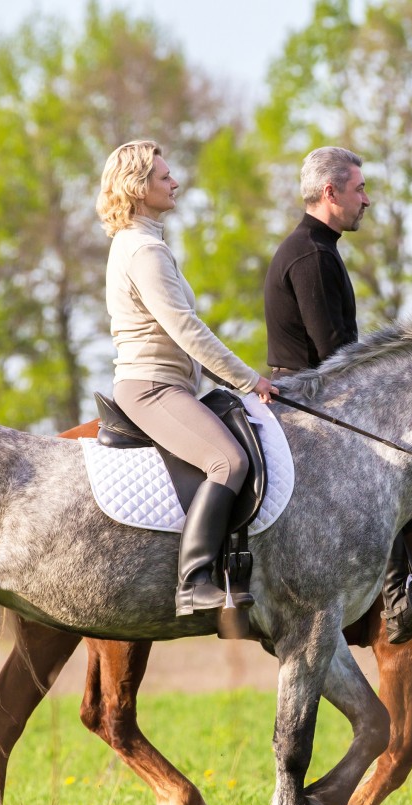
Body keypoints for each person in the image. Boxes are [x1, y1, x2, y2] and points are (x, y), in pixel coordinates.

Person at [263, 146, 412, 644]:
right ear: (331, 192)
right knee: (389, 467)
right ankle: (397, 597)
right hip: (307, 401)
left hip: (312, 393)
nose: (366, 200)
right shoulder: (310, 255)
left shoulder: (319, 250)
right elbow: (336, 355)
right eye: (359, 189)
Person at [97, 140, 277, 616]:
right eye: (163, 177)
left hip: (168, 385)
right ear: (138, 188)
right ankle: (194, 581)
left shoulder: (141, 244)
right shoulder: (143, 251)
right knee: (229, 462)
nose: (174, 182)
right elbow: (185, 328)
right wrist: (246, 379)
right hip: (152, 388)